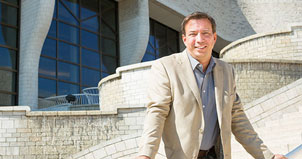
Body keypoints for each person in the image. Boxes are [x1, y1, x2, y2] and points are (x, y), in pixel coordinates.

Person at [136, 12, 287, 159]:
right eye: (193, 34)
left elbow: (237, 118)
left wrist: (268, 156)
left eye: (205, 33)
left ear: (214, 38)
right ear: (184, 39)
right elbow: (157, 112)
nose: (199, 39)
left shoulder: (227, 71)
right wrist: (146, 154)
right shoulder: (165, 67)